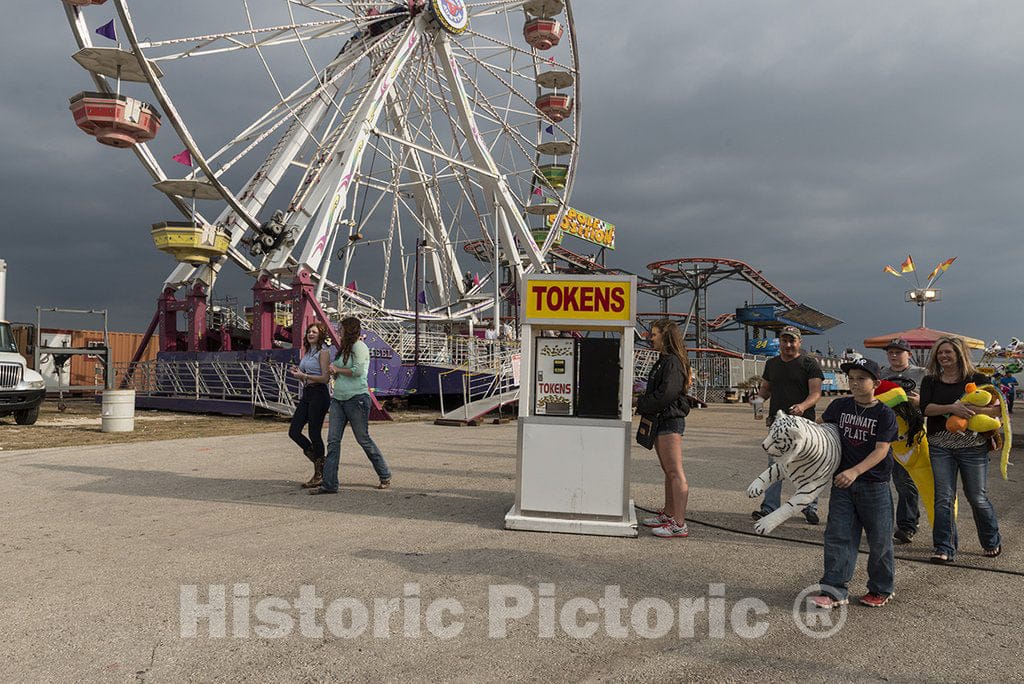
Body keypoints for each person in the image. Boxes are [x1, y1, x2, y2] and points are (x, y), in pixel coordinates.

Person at [812, 358, 898, 609]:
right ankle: (833, 590)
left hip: (874, 485)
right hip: (843, 485)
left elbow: (882, 450)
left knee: (880, 539)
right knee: (838, 536)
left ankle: (881, 588)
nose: (855, 383)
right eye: (851, 378)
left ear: (876, 383)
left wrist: (855, 471)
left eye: (861, 378)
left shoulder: (884, 414)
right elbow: (824, 431)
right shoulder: (839, 406)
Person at [919, 336, 1002, 563]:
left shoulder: (978, 379)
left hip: (973, 448)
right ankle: (944, 547)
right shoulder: (930, 381)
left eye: (948, 352)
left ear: (959, 354)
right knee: (943, 498)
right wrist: (952, 407)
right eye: (940, 353)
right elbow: (926, 408)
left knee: (977, 497)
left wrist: (969, 408)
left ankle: (991, 540)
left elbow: (997, 410)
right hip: (940, 447)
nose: (944, 356)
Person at [751, 325, 824, 524]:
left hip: (804, 426)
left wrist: (802, 406)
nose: (788, 344)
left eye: (792, 341)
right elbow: (766, 388)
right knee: (775, 466)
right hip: (778, 426)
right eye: (784, 340)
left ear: (800, 342)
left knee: (808, 466)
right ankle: (769, 507)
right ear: (780, 342)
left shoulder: (810, 364)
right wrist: (758, 399)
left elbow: (816, 393)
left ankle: (810, 507)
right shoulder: (772, 364)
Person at [312, 317, 392, 495]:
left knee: (363, 439)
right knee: (333, 442)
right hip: (338, 399)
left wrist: (337, 370)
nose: (338, 330)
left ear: (348, 330)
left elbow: (358, 371)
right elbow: (343, 372)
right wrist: (334, 372)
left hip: (357, 399)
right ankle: (330, 484)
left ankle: (384, 473)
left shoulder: (359, 347)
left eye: (340, 328)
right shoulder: (343, 350)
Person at [637, 319, 693, 538]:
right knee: (668, 471)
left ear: (665, 336)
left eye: (654, 334)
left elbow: (667, 393)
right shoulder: (664, 360)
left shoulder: (672, 363)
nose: (650, 338)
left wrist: (642, 404)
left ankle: (679, 523)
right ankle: (669, 513)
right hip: (662, 420)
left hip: (669, 420)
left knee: (674, 471)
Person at [878, 337, 926, 545]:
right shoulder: (881, 374)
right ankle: (883, 523)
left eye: (898, 352)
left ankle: (907, 525)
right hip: (882, 435)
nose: (894, 355)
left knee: (904, 483)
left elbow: (934, 401)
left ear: (909, 354)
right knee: (879, 482)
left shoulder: (922, 374)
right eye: (890, 352)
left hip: (909, 438)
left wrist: (920, 401)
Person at [288, 323, 332, 489]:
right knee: (294, 431)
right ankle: (322, 462)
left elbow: (325, 378)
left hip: (319, 394)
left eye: (314, 331)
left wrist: (304, 375)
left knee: (314, 433)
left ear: (321, 335)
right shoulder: (307, 353)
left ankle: (319, 473)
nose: (310, 334)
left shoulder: (324, 352)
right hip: (307, 393)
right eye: (308, 331)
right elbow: (306, 377)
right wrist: (298, 374)